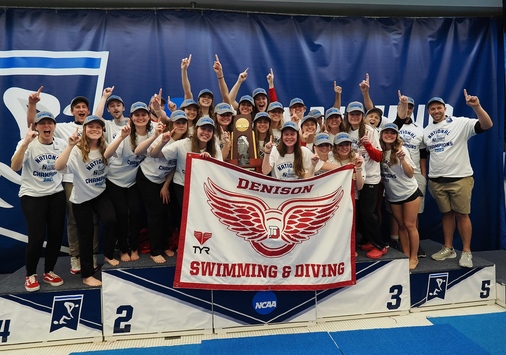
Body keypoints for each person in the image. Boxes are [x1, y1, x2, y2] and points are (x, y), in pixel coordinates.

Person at [26, 87, 99, 275]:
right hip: (70, 180)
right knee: (74, 220)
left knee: (94, 220)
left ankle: (90, 255)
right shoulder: (63, 127)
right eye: (77, 107)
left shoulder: (95, 126)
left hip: (93, 181)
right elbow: (32, 125)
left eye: (84, 107)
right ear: (72, 111)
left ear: (88, 111)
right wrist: (33, 104)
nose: (81, 109)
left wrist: (105, 97)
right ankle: (75, 257)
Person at [423, 91, 493, 268]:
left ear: (445, 109)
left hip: (459, 178)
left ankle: (467, 252)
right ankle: (449, 248)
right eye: (432, 109)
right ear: (429, 112)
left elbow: (487, 124)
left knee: (462, 215)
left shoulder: (460, 122)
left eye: (439, 107)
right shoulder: (426, 131)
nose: (436, 111)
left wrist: (476, 107)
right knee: (446, 214)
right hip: (437, 180)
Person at [55, 115, 118, 287]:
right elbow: (59, 167)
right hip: (81, 198)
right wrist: (69, 146)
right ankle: (87, 274)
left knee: (111, 220)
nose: (94, 129)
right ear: (84, 129)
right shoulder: (77, 150)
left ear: (102, 130)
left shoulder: (105, 147)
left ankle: (108, 255)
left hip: (100, 193)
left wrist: (122, 136)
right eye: (91, 127)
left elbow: (113, 153)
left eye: (98, 127)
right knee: (86, 234)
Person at [11, 111, 67, 292]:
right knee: (36, 237)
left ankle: (49, 271)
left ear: (54, 126)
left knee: (56, 234)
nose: (46, 126)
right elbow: (15, 166)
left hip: (56, 194)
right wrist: (26, 143)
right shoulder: (27, 144)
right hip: (32, 195)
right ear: (36, 127)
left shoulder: (61, 144)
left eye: (49, 123)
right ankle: (30, 274)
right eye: (42, 123)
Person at [103, 102, 152, 262]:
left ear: (149, 116)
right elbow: (107, 154)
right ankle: (123, 248)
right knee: (122, 214)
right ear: (131, 118)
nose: (140, 117)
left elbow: (167, 122)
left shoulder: (153, 132)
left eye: (143, 114)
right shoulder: (124, 132)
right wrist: (122, 137)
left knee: (136, 212)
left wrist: (159, 109)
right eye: (136, 115)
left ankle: (134, 247)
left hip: (133, 181)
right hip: (115, 180)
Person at [149, 116, 223, 213]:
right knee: (188, 213)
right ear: (196, 129)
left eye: (209, 130)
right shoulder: (182, 144)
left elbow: (220, 169)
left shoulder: (215, 147)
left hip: (202, 185)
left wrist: (210, 161)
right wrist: (163, 143)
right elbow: (154, 154)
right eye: (203, 128)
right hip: (182, 184)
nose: (206, 132)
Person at [344, 101, 386, 259]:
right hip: (355, 177)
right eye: (352, 114)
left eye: (357, 114)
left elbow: (379, 157)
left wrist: (368, 146)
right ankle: (368, 239)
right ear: (347, 116)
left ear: (362, 116)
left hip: (371, 178)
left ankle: (380, 245)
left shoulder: (369, 130)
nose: (354, 117)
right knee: (360, 213)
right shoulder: (346, 130)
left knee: (368, 212)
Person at [380, 123, 422, 270]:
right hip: (393, 196)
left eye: (393, 133)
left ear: (396, 136)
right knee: (401, 227)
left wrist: (403, 159)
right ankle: (405, 255)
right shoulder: (379, 151)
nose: (389, 135)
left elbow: (410, 174)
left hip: (409, 193)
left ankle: (414, 257)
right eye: (386, 132)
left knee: (410, 226)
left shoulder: (401, 149)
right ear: (382, 134)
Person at [391, 92, 427, 257]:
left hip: (414, 172)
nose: (409, 109)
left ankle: (415, 246)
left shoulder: (419, 128)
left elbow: (423, 154)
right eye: (406, 106)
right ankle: (397, 241)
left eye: (411, 107)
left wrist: (423, 175)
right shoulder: (391, 126)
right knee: (396, 212)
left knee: (413, 214)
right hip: (394, 174)